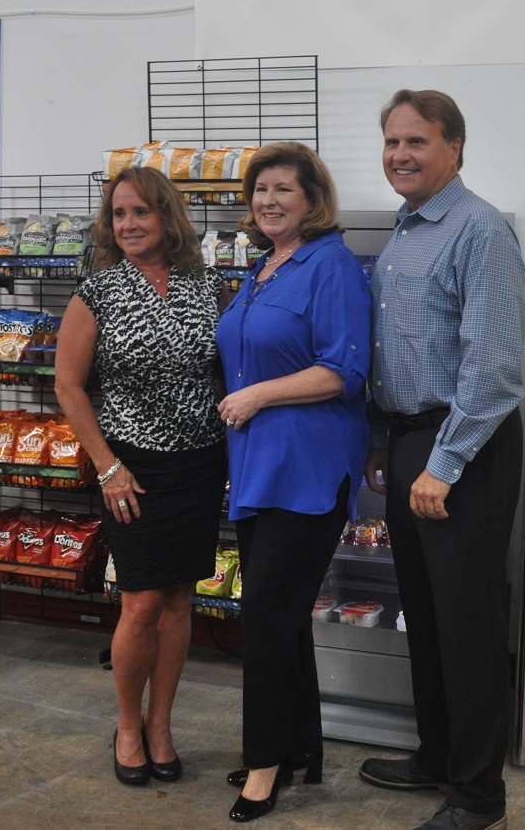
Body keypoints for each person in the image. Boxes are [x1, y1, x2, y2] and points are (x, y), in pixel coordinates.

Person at [360, 90, 525, 830]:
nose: (400, 154)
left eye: (416, 141)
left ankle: (478, 792)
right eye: (392, 141)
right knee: (424, 614)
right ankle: (436, 755)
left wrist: (444, 462)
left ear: (455, 146)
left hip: (464, 446)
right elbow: (396, 349)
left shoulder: (479, 229)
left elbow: (492, 370)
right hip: (407, 439)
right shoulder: (405, 230)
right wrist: (382, 441)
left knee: (469, 624)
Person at [55, 165, 229, 788]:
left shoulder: (205, 286)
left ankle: (162, 724)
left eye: (141, 212)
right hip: (132, 467)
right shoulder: (96, 292)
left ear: (167, 218)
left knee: (180, 602)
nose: (127, 224)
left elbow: (220, 372)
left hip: (200, 461)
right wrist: (108, 467)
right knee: (141, 602)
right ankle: (128, 725)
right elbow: (69, 388)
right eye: (118, 214)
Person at [215, 141, 372, 823]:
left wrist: (257, 397)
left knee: (268, 621)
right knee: (282, 619)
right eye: (259, 191)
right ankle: (301, 744)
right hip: (257, 469)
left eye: (282, 188)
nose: (269, 201)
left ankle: (265, 764)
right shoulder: (262, 270)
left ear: (313, 198)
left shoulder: (329, 266)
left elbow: (342, 370)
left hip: (307, 472)